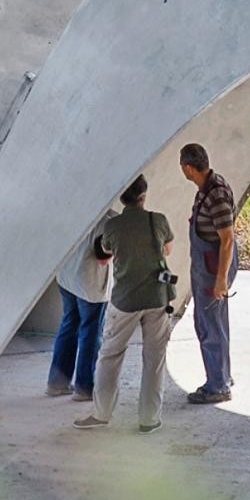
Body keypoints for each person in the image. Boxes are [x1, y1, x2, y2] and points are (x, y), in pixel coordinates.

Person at [74, 175, 177, 434]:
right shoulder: (158, 220)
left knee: (110, 356)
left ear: (122, 197)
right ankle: (149, 419)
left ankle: (101, 413)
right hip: (157, 297)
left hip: (125, 300)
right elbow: (168, 250)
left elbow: (105, 253)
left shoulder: (113, 226)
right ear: (144, 195)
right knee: (154, 360)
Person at [179, 142, 237, 403]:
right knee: (215, 322)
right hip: (208, 265)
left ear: (189, 168)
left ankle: (217, 386)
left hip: (213, 268)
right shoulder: (206, 188)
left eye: (183, 167)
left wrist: (221, 280)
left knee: (208, 325)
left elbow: (227, 239)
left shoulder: (216, 194)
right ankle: (222, 375)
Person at [45, 204, 117, 401]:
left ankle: (56, 383)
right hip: (90, 285)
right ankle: (84, 387)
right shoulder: (110, 221)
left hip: (67, 278)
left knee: (68, 326)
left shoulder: (73, 207)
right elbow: (103, 259)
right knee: (91, 335)